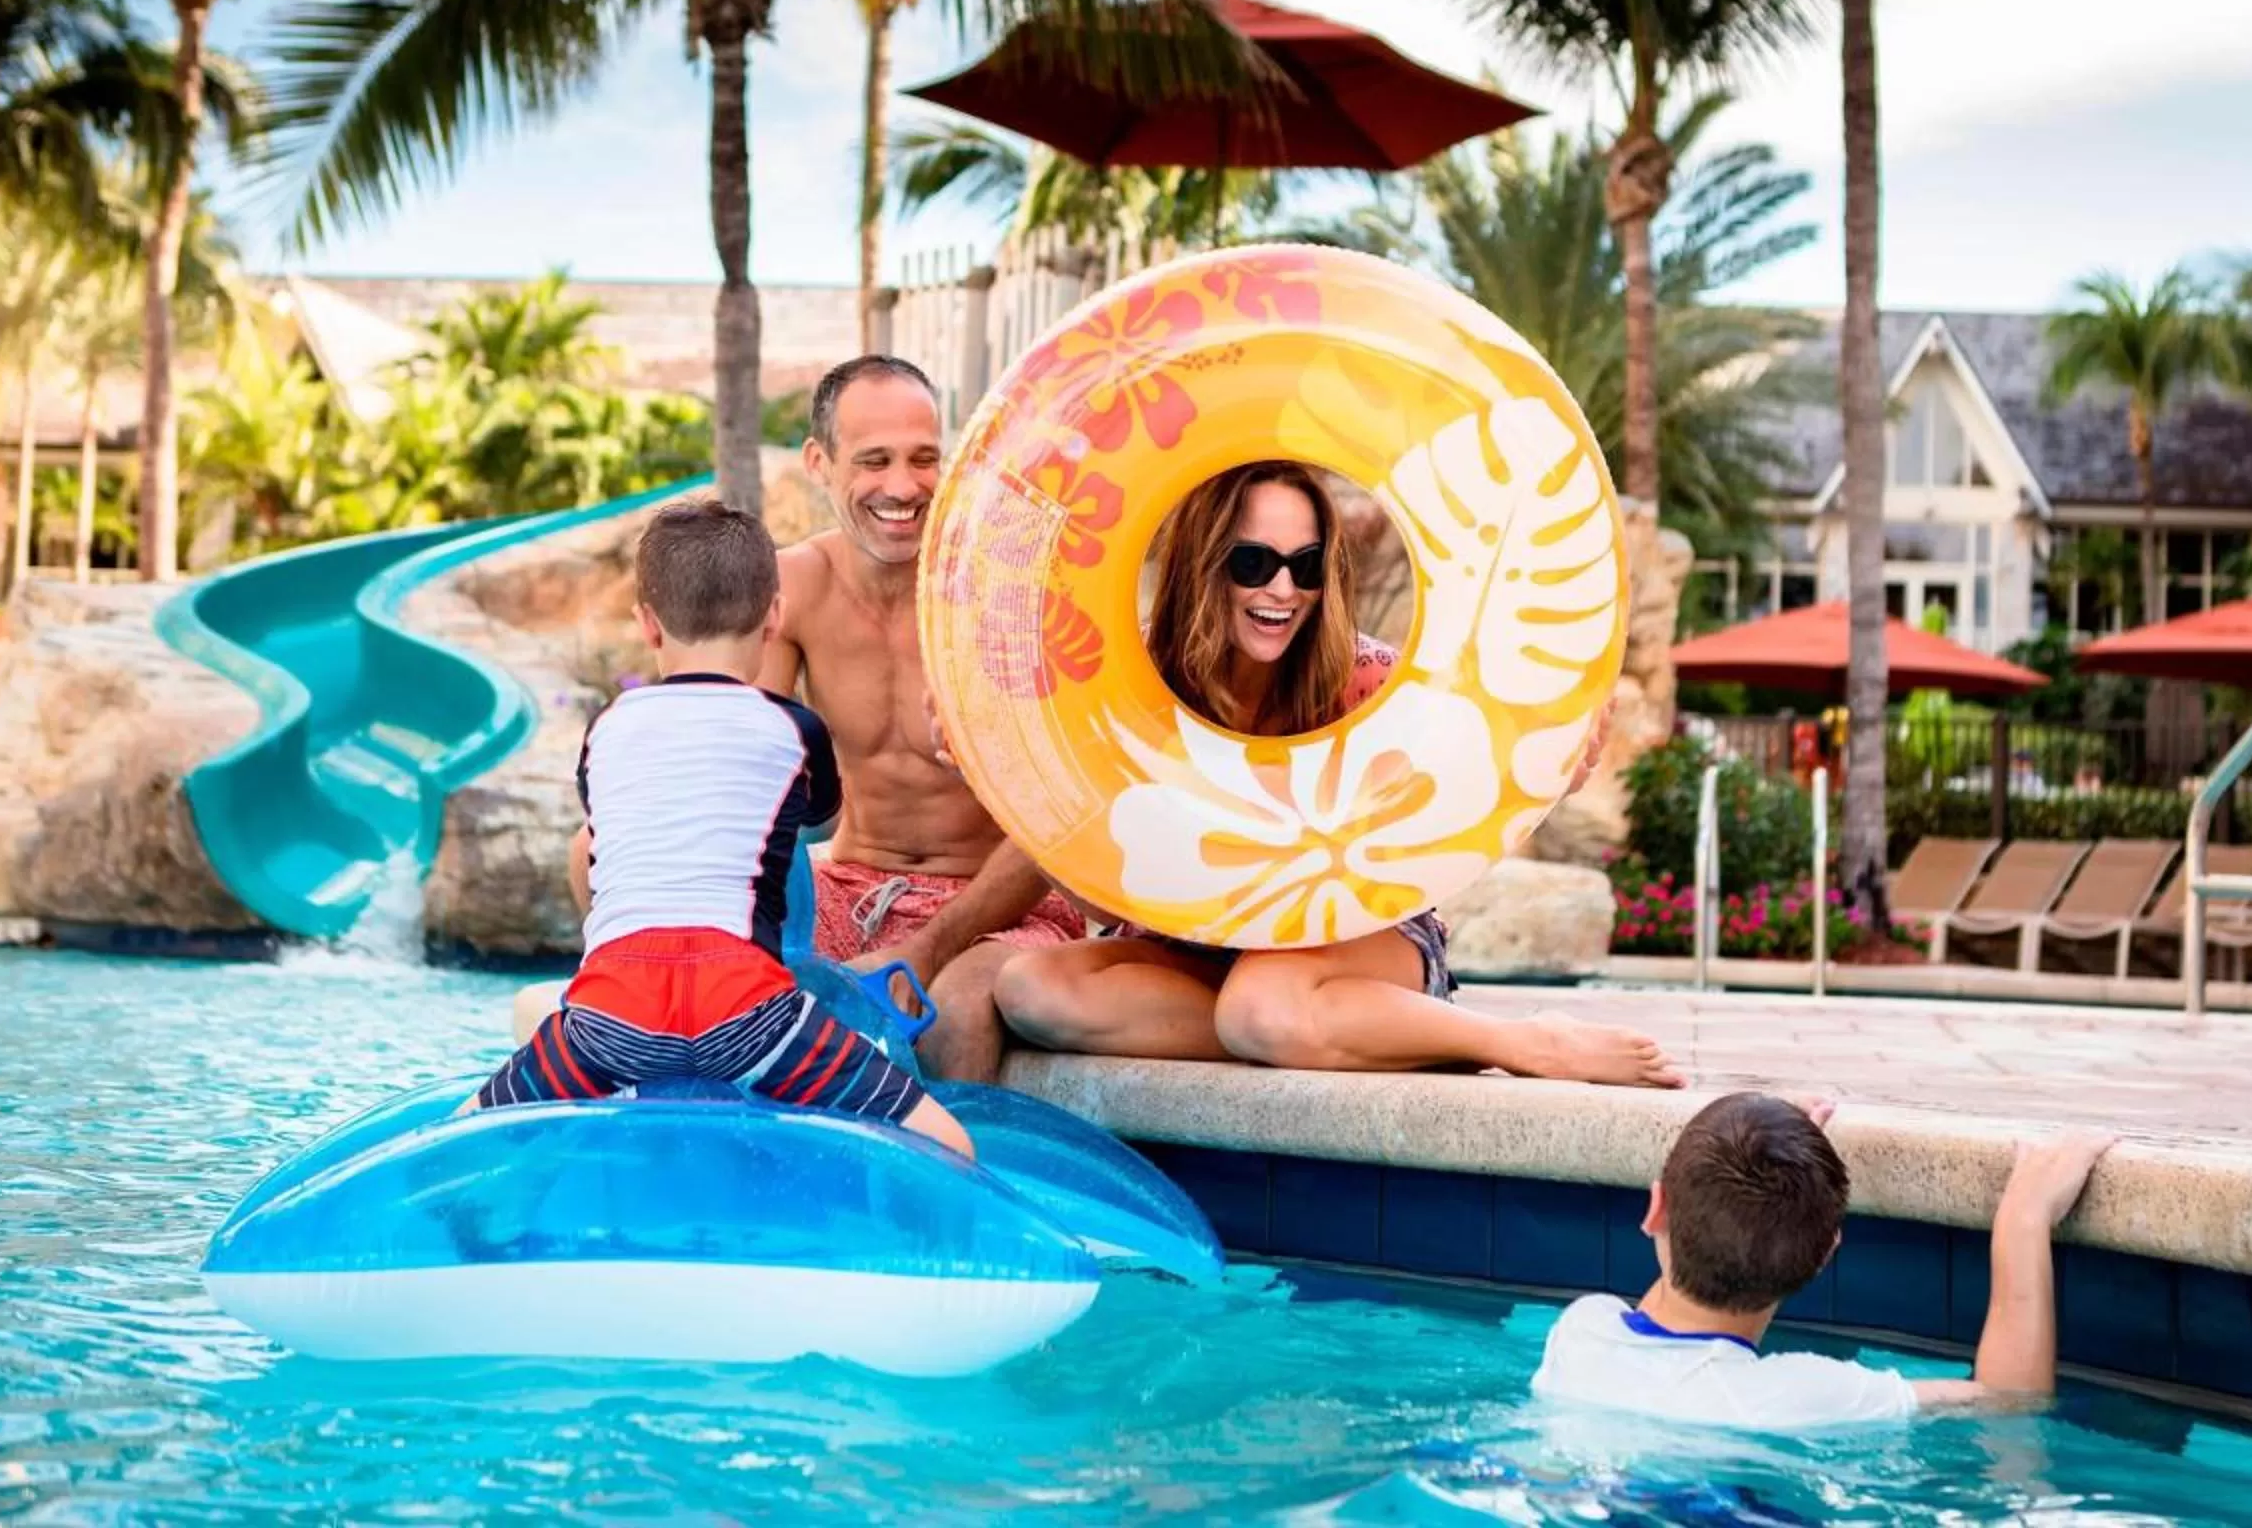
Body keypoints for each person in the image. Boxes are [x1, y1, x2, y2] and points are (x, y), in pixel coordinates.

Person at [992, 460, 1682, 1089]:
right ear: (1205, 567)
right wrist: (1007, 788)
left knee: (1261, 1002)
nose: (1284, 589)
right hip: (1199, 946)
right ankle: (1318, 1032)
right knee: (1032, 989)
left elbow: (1467, 785)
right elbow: (1109, 906)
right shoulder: (1141, 686)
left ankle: (1523, 1041)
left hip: (1349, 938)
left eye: (1307, 564)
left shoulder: (1364, 679)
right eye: (1254, 562)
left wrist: (1550, 774)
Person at [483, 499, 970, 1158]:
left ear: (648, 626)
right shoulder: (795, 730)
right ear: (774, 616)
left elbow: (606, 840)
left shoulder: (608, 727)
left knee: (467, 1136)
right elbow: (819, 822)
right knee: (948, 1146)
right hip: (747, 1015)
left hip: (609, 1017)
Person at [758, 356, 1084, 1083]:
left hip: (998, 905)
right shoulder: (795, 586)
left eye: (924, 458)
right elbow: (756, 783)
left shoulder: (1005, 591)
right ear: (819, 462)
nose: (902, 487)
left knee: (960, 1006)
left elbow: (1056, 824)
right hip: (852, 883)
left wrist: (930, 945)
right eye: (874, 460)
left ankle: (949, 1193)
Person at [1533, 1093, 2115, 1428]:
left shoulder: (1581, 1329)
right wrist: (2024, 1219)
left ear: (1656, 1207)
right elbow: (2009, 1402)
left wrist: (1760, 1161)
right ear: (1824, 1257)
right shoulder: (1801, 1392)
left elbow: (1668, 1320)